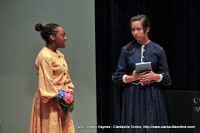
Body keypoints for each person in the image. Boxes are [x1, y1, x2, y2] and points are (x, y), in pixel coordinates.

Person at [112, 14, 171, 133]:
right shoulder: (126, 50)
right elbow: (117, 76)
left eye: (138, 29)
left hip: (152, 95)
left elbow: (167, 78)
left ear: (147, 29)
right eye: (133, 30)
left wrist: (154, 76)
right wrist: (132, 77)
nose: (135, 33)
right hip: (133, 96)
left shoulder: (158, 50)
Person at [29, 23, 75, 133]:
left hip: (60, 100)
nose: (65, 38)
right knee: (52, 128)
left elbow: (65, 79)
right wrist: (59, 109)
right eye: (63, 35)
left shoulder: (59, 54)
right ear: (52, 37)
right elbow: (46, 85)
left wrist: (67, 99)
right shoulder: (45, 56)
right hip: (50, 103)